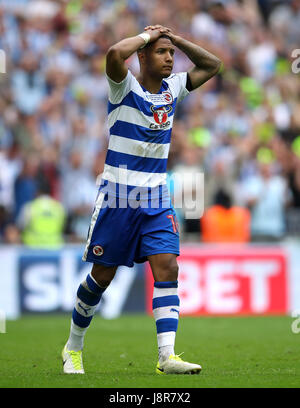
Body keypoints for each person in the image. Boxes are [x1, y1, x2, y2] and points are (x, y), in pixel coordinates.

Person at [62, 24, 221, 375]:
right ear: (144, 56)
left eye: (171, 53)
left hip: (156, 197)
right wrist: (148, 36)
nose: (169, 58)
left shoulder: (174, 88)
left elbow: (213, 66)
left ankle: (167, 355)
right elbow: (114, 55)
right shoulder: (124, 87)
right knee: (102, 276)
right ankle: (73, 346)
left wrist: (176, 38)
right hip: (118, 197)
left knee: (168, 266)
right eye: (162, 53)